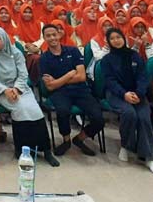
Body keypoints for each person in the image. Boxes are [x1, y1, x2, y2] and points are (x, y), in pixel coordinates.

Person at [0, 26, 59, 166]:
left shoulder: (16, 52)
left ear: (4, 38)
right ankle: (22, 150)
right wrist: (5, 90)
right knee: (20, 109)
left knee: (35, 110)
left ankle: (46, 150)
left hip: (21, 88)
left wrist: (17, 89)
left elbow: (23, 74)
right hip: (1, 91)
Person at [100, 28, 153, 174]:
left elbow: (142, 77)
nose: (116, 40)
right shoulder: (106, 60)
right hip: (116, 94)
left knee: (144, 117)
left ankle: (148, 158)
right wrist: (124, 94)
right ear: (108, 42)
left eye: (118, 37)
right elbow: (110, 81)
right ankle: (125, 146)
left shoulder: (135, 56)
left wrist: (139, 93)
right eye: (112, 38)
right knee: (129, 113)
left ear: (124, 38)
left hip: (137, 93)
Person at [39, 25, 104, 157]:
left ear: (59, 35)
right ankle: (66, 140)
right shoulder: (44, 58)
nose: (52, 38)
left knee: (98, 118)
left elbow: (81, 76)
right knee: (62, 111)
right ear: (44, 38)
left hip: (81, 90)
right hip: (59, 93)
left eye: (54, 34)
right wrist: (69, 75)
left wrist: (58, 81)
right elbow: (50, 87)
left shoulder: (73, 51)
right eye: (48, 35)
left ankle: (80, 138)